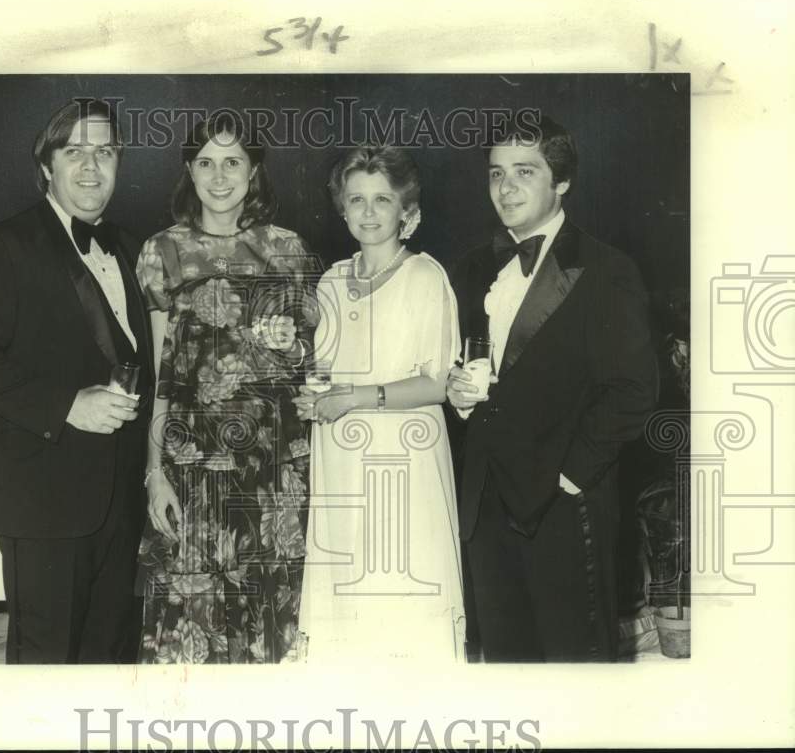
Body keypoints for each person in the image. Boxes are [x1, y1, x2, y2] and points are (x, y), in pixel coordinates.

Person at [0, 99, 153, 664]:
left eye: (105, 152)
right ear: (46, 167)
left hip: (121, 508)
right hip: (44, 507)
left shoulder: (132, 248)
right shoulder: (3, 244)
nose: (91, 166)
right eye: (74, 151)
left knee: (109, 663)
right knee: (46, 670)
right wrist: (66, 404)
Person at [446, 115, 658, 662]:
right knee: (506, 670)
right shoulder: (470, 268)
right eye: (496, 174)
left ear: (561, 182)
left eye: (524, 171)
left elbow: (634, 390)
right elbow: (474, 370)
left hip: (565, 505)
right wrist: (460, 396)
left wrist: (570, 476)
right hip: (487, 504)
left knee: (574, 667)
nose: (506, 188)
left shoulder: (606, 268)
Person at [135, 112, 317, 663]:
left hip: (275, 464)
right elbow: (160, 375)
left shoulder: (288, 249)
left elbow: (313, 357)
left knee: (271, 605)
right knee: (194, 608)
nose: (219, 176)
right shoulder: (161, 252)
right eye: (206, 163)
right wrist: (155, 471)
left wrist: (291, 345)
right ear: (189, 170)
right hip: (195, 461)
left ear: (254, 170)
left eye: (233, 161)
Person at [294, 145, 466, 663]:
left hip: (404, 465)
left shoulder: (426, 278)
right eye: (356, 199)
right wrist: (312, 395)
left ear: (407, 213)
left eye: (382, 200)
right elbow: (323, 374)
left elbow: (440, 383)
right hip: (341, 463)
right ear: (342, 209)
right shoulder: (329, 282)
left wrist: (355, 399)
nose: (368, 212)